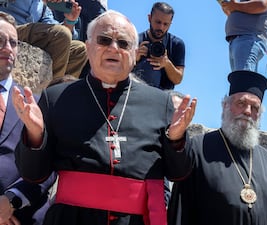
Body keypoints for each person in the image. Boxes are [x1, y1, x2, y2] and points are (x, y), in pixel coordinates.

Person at [11, 9, 196, 225]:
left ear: (135, 53)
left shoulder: (160, 103)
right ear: (88, 47)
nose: (114, 48)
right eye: (104, 40)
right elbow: (33, 174)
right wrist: (35, 135)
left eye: (124, 44)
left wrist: (176, 139)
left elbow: (179, 173)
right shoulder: (56, 98)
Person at [168, 70, 267, 225]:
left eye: (255, 108)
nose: (247, 111)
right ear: (225, 105)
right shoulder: (199, 148)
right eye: (241, 103)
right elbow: (181, 207)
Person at [0, 11, 55, 225]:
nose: (8, 48)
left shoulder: (37, 103)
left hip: (22, 216)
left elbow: (48, 162)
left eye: (13, 42)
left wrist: (11, 201)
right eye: (0, 40)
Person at [0, 0, 88, 79]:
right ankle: (51, 93)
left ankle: (58, 90)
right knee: (61, 33)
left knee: (79, 49)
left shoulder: (41, 5)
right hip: (8, 31)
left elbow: (58, 32)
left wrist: (70, 21)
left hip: (32, 37)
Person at [133, 2, 185, 90]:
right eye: (158, 22)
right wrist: (134, 59)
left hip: (164, 96)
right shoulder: (135, 40)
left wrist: (167, 63)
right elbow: (120, 72)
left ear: (170, 24)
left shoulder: (176, 44)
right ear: (149, 18)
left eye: (165, 24)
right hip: (137, 91)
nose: (161, 27)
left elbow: (178, 79)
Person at [220, 0, 267, 72]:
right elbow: (243, 13)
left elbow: (261, 5)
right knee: (240, 79)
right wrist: (230, 9)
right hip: (240, 41)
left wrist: (235, 6)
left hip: (248, 39)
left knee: (243, 79)